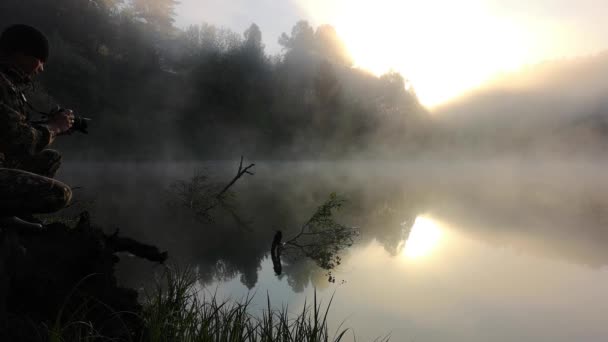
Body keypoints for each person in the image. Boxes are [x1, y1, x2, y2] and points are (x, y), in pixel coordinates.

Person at [0, 24, 74, 229]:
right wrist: (54, 127)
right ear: (20, 54)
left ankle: (11, 216)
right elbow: (19, 142)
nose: (41, 68)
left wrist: (51, 126)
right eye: (39, 59)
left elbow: (8, 130)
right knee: (60, 194)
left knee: (50, 158)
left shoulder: (9, 84)